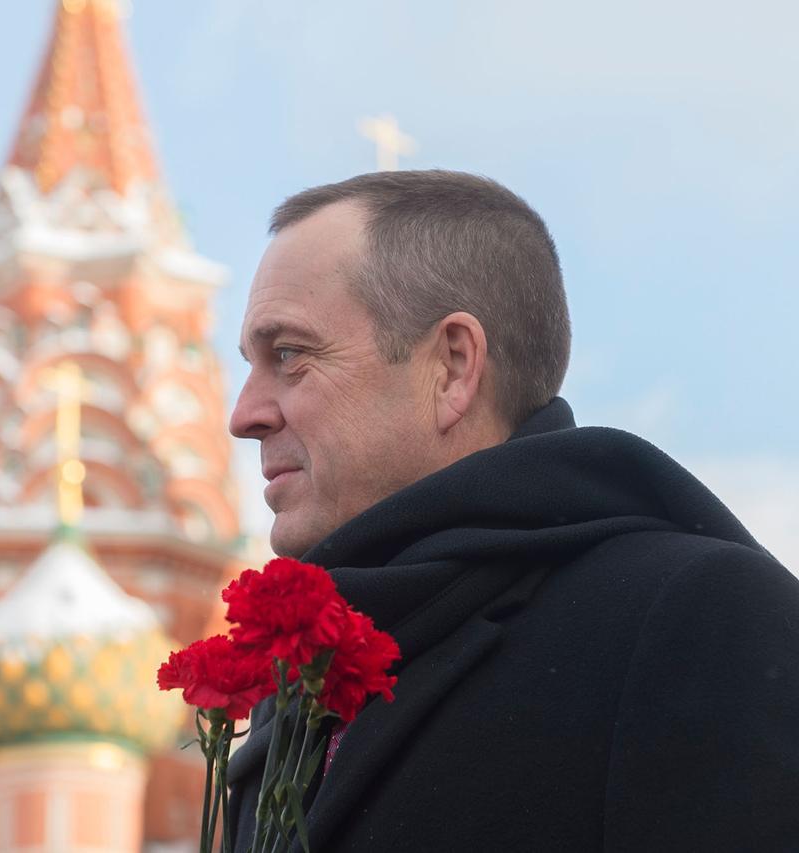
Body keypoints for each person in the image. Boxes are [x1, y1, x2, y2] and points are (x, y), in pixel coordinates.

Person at [224, 171, 799, 851]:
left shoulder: (693, 617)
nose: (243, 416)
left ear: (453, 366)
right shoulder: (297, 684)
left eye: (289, 354)